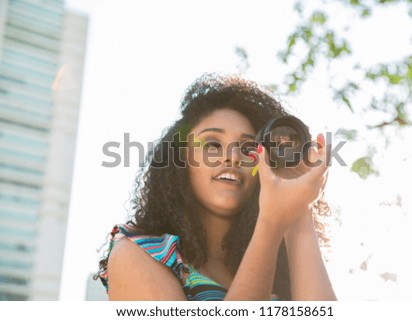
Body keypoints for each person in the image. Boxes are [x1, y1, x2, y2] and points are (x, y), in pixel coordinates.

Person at [96, 73, 337, 301]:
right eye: (212, 144)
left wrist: (298, 211)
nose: (231, 158)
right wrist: (271, 223)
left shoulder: (281, 270)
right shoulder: (138, 252)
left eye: (247, 149)